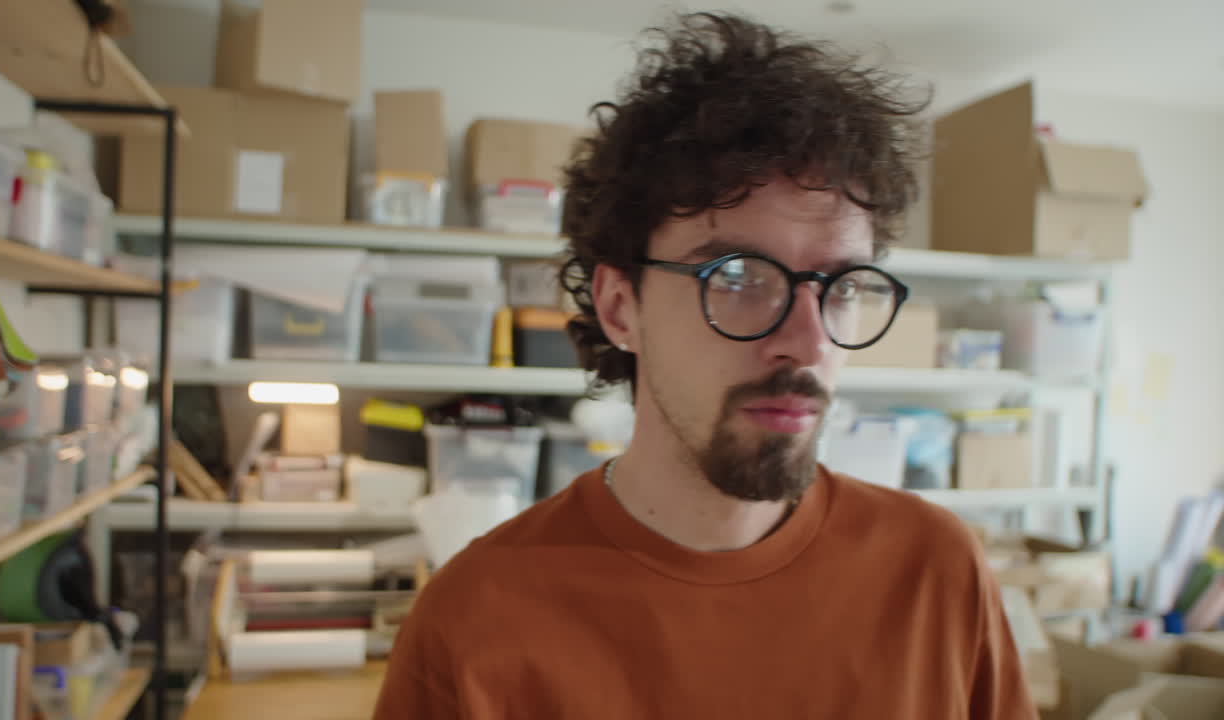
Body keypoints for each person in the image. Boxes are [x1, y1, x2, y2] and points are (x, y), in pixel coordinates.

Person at [374, 12, 1035, 719]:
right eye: (739, 278)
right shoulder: (475, 622)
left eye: (840, 287)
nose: (809, 343)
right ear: (621, 307)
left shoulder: (935, 570)